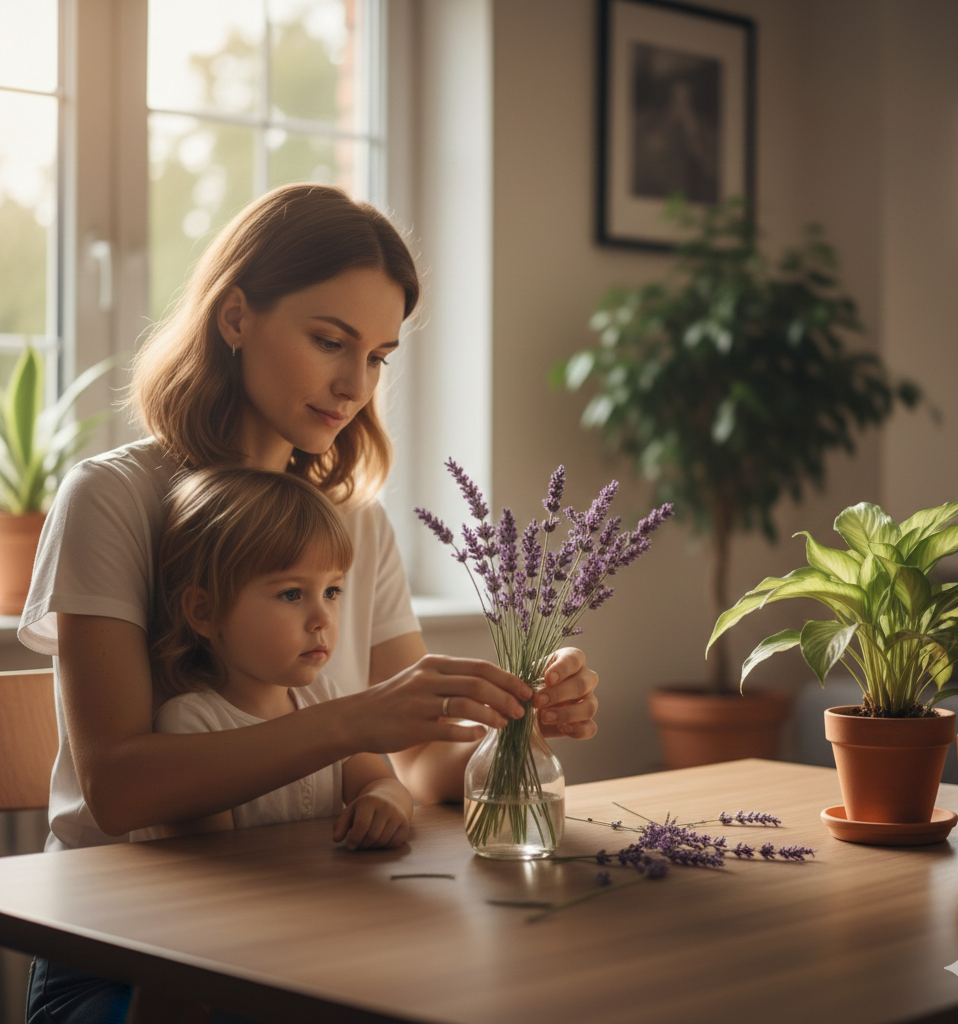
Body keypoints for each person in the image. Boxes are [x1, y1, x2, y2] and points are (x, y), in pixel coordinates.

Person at [20, 183, 598, 1021]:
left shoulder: (353, 520)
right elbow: (118, 790)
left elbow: (426, 769)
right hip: (123, 956)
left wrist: (520, 712)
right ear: (235, 318)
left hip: (308, 929)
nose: (355, 383)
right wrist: (350, 721)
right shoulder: (113, 497)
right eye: (331, 341)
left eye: (377, 356)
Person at [139, 465, 413, 848]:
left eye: (332, 591)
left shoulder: (324, 698)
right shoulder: (192, 724)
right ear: (205, 611)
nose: (323, 619)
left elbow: (383, 782)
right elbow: (210, 861)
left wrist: (384, 801)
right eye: (291, 594)